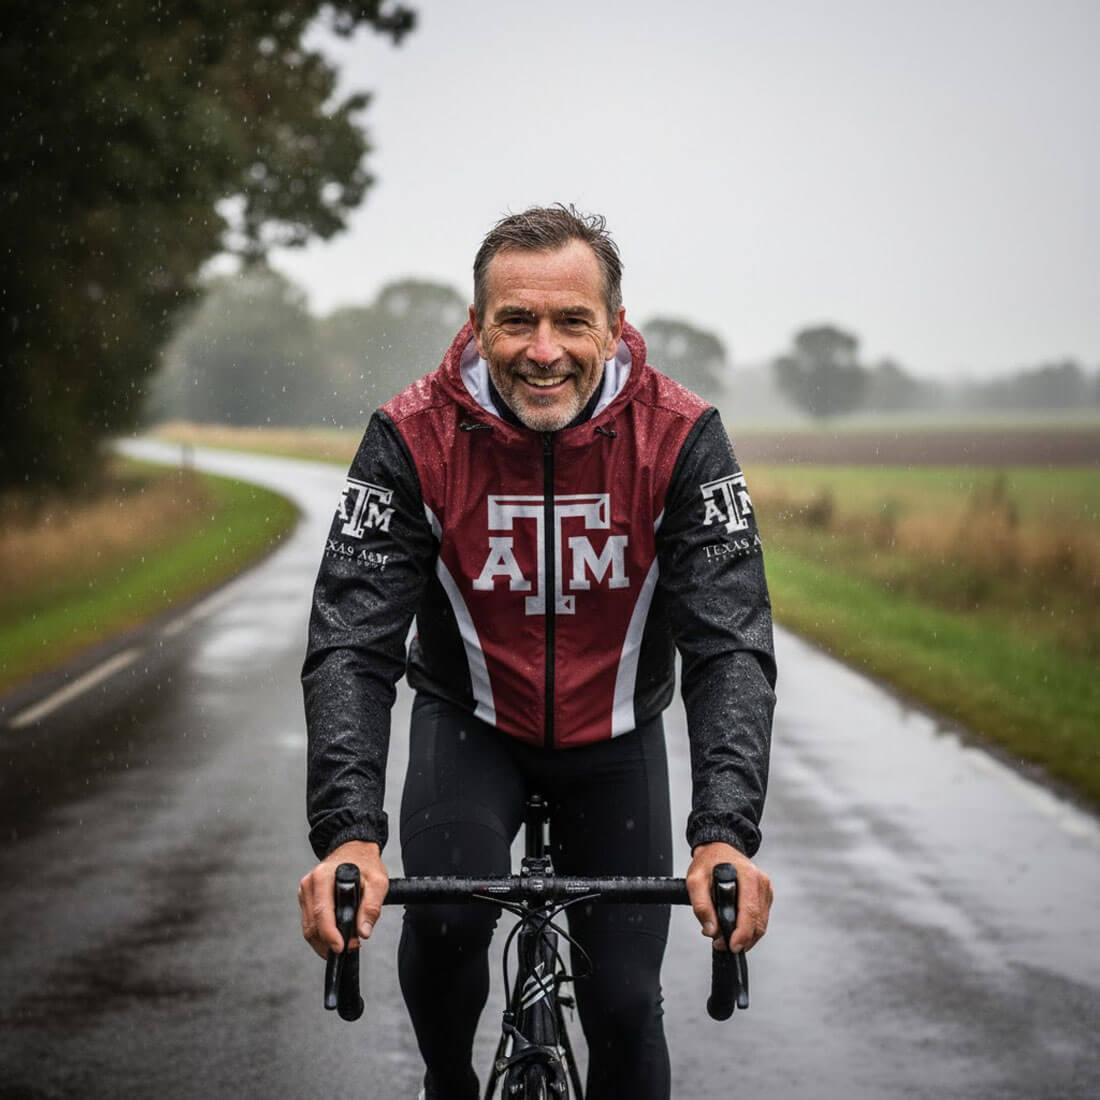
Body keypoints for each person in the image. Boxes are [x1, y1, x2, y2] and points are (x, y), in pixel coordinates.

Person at [297, 205, 776, 1100]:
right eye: (516, 320)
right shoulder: (411, 436)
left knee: (627, 1004)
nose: (542, 349)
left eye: (571, 321)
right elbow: (352, 644)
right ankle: (447, 1083)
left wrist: (723, 835)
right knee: (440, 931)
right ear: (478, 324)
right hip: (470, 727)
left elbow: (730, 646)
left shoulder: (681, 437)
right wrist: (349, 834)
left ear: (617, 326)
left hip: (617, 741)